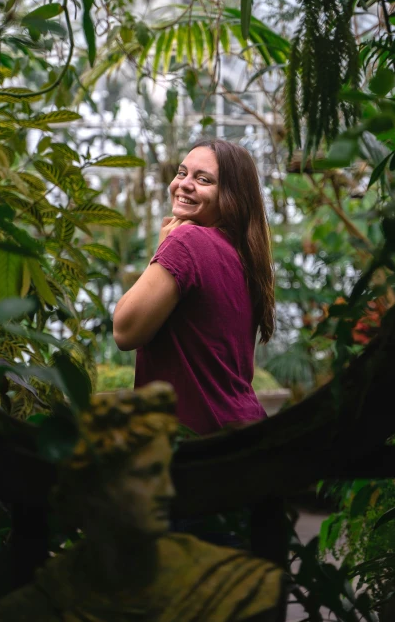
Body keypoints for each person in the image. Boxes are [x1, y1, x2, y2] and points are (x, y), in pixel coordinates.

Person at [0, 383, 286, 622]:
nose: (168, 492)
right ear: (93, 491)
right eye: (146, 475)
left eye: (162, 471)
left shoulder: (238, 586)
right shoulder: (40, 603)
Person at [113, 139, 275, 436]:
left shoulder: (187, 242)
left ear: (231, 196)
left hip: (196, 443)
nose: (184, 184)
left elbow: (125, 330)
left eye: (203, 180)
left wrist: (160, 252)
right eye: (181, 173)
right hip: (243, 430)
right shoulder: (243, 256)